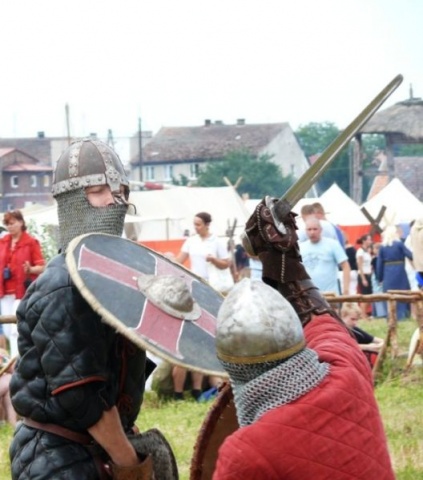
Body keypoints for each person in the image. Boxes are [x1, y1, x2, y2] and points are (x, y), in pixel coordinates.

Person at [9, 139, 154, 479]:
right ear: (74, 200)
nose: (114, 200)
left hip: (91, 451)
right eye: (100, 190)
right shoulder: (63, 285)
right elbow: (80, 395)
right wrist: (130, 463)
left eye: (121, 190)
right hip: (57, 460)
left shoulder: (110, 279)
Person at [212, 278, 395, 479]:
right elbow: (326, 326)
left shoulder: (246, 452)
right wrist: (288, 266)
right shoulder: (348, 368)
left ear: (232, 365)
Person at [173, 212, 230, 400]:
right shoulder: (191, 241)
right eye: (194, 224)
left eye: (198, 224)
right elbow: (179, 260)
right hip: (195, 286)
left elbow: (226, 263)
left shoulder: (217, 242)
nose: (196, 227)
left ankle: (203, 385)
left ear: (207, 225)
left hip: (213, 287)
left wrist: (214, 260)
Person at [0, 210, 45, 357]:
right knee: (7, 329)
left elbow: (42, 267)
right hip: (4, 292)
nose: (10, 227)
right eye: (7, 224)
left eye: (12, 223)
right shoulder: (3, 242)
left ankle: (17, 361)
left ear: (21, 222)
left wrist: (30, 269)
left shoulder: (31, 242)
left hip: (22, 292)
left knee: (15, 330)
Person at [299, 217, 350, 295]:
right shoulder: (301, 247)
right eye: (309, 229)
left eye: (315, 229)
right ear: (305, 231)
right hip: (310, 295)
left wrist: (346, 290)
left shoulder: (332, 244)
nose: (312, 232)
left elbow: (345, 266)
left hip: (331, 295)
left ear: (320, 230)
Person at [376, 225, 413, 320]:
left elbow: (379, 263)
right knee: (403, 293)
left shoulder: (382, 247)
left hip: (387, 273)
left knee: (389, 295)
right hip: (400, 272)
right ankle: (404, 315)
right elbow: (410, 255)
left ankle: (391, 316)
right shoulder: (399, 244)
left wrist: (379, 278)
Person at [340, 302, 384, 367]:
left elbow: (378, 340)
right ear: (343, 316)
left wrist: (379, 345)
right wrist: (368, 347)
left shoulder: (355, 330)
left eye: (357, 320)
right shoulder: (337, 330)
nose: (355, 323)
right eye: (352, 319)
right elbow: (342, 346)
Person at [356, 233, 373, 319]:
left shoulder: (367, 251)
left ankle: (365, 313)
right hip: (364, 275)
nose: (370, 241)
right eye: (369, 239)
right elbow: (360, 265)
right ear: (364, 241)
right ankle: (363, 314)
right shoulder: (360, 252)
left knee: (369, 296)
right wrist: (363, 279)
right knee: (365, 295)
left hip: (369, 274)